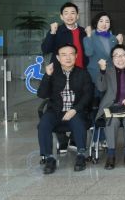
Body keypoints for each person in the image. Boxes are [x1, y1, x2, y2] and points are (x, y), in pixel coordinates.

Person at [37, 44, 93, 174]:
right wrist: (47, 75)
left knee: (78, 122)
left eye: (71, 54)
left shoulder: (83, 73)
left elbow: (88, 95)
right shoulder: (53, 73)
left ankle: (81, 155)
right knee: (43, 124)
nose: (68, 58)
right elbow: (42, 94)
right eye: (63, 54)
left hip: (76, 110)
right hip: (55, 110)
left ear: (76, 56)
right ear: (58, 57)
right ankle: (49, 158)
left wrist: (74, 110)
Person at [95, 44, 125, 169]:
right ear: (112, 58)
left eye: (123, 55)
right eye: (116, 56)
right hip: (111, 107)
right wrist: (102, 71)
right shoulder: (107, 71)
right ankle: (111, 155)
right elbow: (101, 88)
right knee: (112, 122)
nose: (120, 58)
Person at [41, 2, 89, 68]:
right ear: (61, 17)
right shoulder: (56, 31)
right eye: (66, 13)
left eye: (72, 13)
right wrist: (52, 33)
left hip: (81, 70)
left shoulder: (83, 31)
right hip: (60, 71)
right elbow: (45, 50)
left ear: (77, 16)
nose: (69, 16)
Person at [83, 11, 118, 86]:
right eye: (101, 21)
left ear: (110, 24)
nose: (104, 24)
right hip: (95, 73)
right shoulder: (89, 37)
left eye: (107, 22)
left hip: (111, 73)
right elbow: (88, 53)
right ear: (96, 22)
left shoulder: (114, 38)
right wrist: (88, 36)